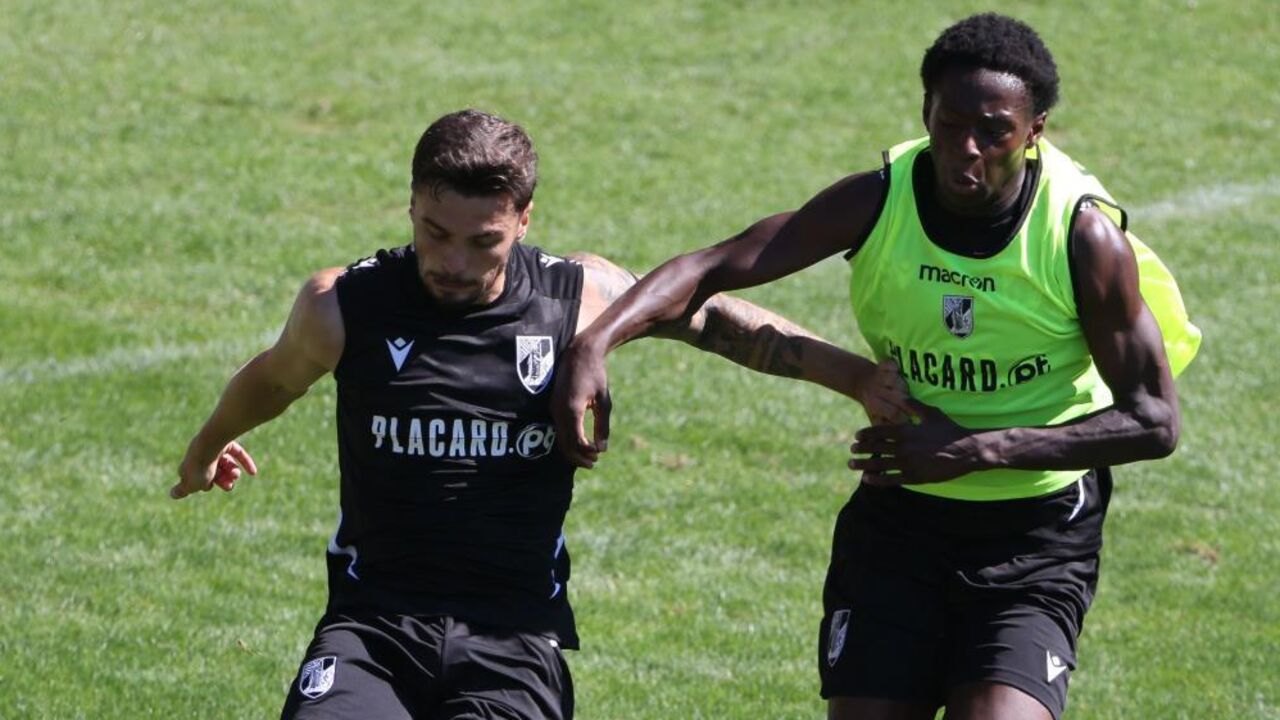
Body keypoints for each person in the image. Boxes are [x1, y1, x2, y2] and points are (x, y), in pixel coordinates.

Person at [551, 13, 1199, 720]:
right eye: (949, 125)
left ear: (1036, 130)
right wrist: (594, 344)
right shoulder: (879, 199)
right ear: (926, 112)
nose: (966, 152)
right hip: (900, 521)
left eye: (994, 132)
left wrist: (976, 451)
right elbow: (713, 266)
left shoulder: (1082, 239)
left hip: (1034, 536)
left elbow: (1154, 421)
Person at [170, 108, 908, 720]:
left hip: (515, 638)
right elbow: (274, 380)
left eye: (482, 241)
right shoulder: (346, 304)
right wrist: (208, 446)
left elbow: (721, 324)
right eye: (434, 232)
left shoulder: (574, 297)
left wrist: (857, 380)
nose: (452, 261)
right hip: (371, 625)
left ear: (524, 219)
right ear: (411, 206)